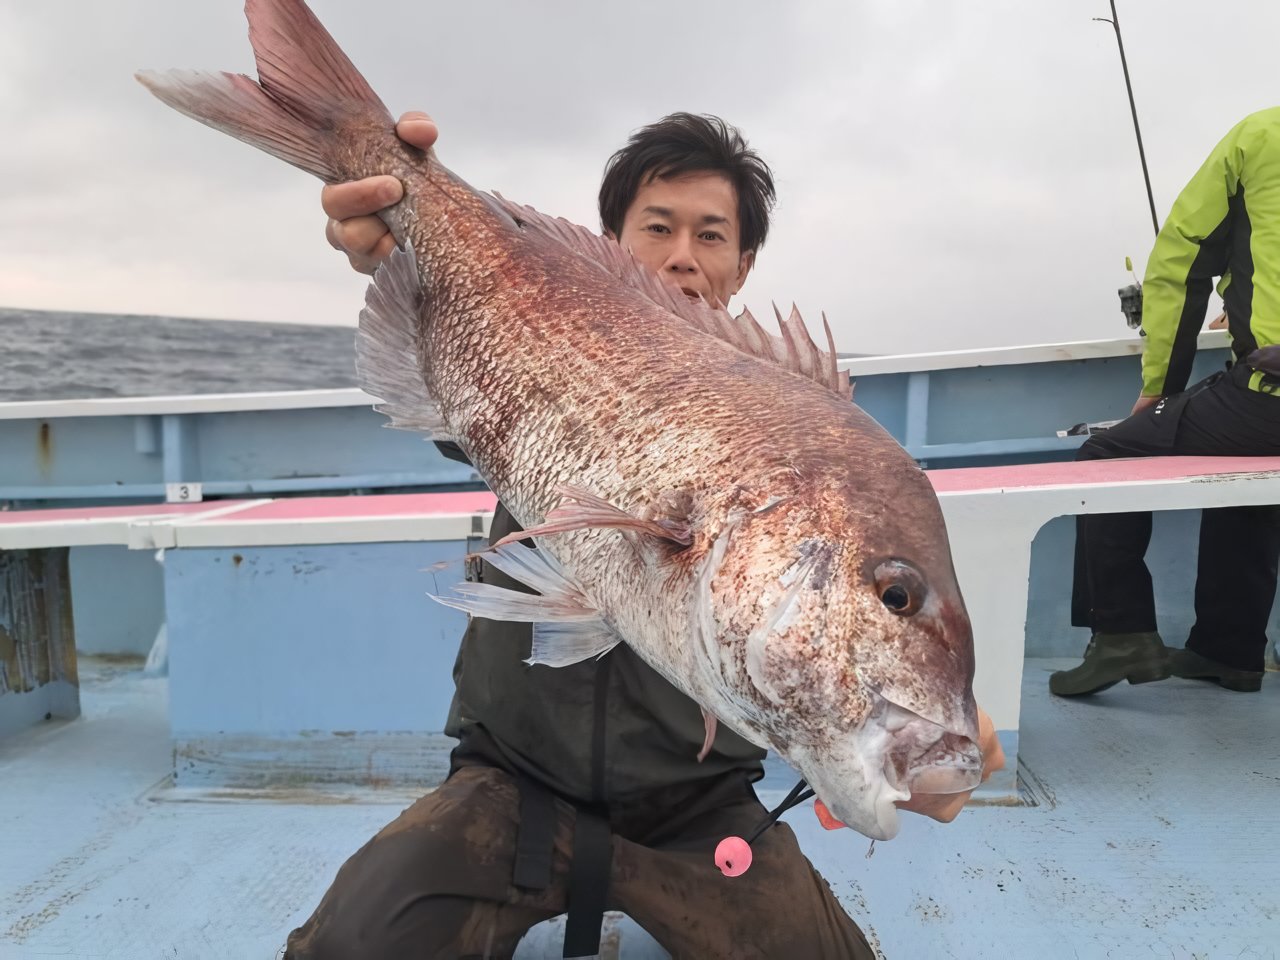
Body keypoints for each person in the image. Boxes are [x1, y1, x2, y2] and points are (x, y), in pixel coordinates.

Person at [286, 111, 1003, 960]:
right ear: (610, 244)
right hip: (510, 780)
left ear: (742, 265)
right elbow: (472, 403)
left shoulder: (808, 438)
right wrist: (399, 234)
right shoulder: (563, 347)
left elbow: (807, 605)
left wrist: (929, 719)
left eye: (711, 235)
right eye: (657, 229)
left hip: (701, 806)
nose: (683, 256)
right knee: (354, 947)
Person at [1051, 106, 1280, 699]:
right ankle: (1228, 651)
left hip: (1271, 398)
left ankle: (1122, 635)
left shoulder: (1259, 136)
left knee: (1107, 456)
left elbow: (1180, 266)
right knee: (1242, 465)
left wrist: (1161, 390)